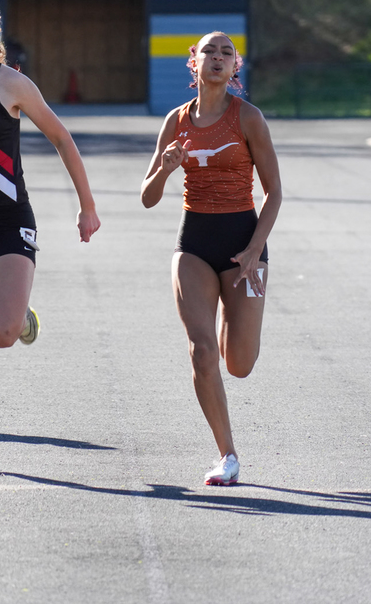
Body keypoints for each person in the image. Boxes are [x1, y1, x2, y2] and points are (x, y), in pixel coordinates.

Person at [0, 0, 100, 475]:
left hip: (7, 220)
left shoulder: (9, 83)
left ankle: (17, 312)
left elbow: (61, 137)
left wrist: (87, 206)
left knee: (1, 332)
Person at [141, 31, 281, 486]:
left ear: (235, 66)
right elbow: (147, 197)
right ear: (193, 63)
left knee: (238, 363)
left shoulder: (249, 118)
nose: (218, 59)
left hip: (245, 243)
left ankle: (233, 319)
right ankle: (227, 454)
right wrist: (166, 166)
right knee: (202, 352)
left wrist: (255, 250)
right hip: (194, 242)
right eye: (209, 52)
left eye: (227, 53)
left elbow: (274, 194)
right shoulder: (176, 121)